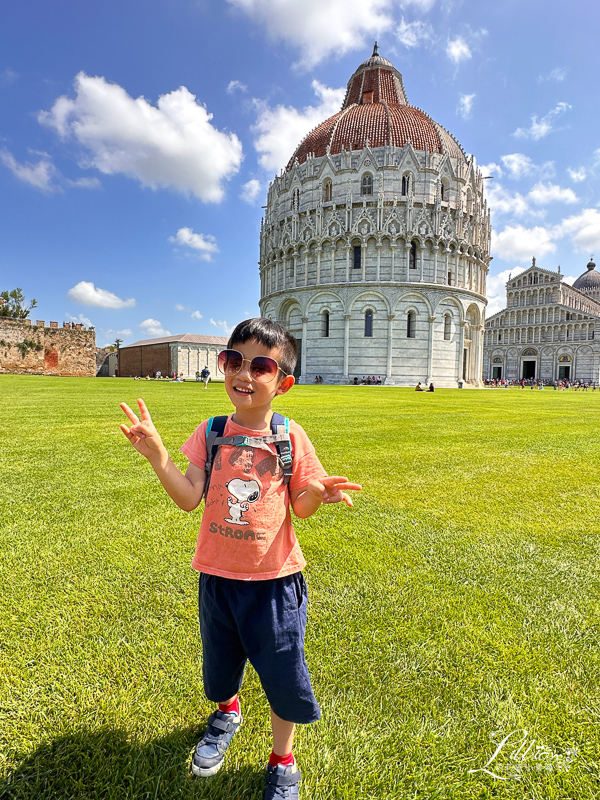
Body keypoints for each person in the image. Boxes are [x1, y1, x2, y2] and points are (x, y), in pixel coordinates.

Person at [119, 318, 361, 800]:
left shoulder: (291, 436)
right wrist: (158, 457)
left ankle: (282, 758)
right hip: (217, 576)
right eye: (234, 360)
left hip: (274, 582)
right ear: (222, 365)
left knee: (282, 672)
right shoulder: (210, 432)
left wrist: (315, 491)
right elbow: (188, 497)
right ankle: (227, 712)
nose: (243, 374)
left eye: (261, 365)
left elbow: (302, 509)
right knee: (221, 664)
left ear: (283, 382)